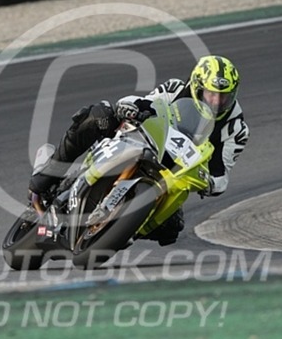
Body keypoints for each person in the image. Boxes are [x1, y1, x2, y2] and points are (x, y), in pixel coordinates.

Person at [28, 55, 249, 246]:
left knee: (172, 229)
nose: (217, 102)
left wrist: (209, 183)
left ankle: (122, 229)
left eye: (224, 96)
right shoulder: (175, 89)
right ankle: (48, 172)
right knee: (99, 115)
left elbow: (221, 174)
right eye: (211, 94)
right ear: (197, 86)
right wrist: (131, 107)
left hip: (173, 174)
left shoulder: (236, 130)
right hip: (143, 143)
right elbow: (145, 102)